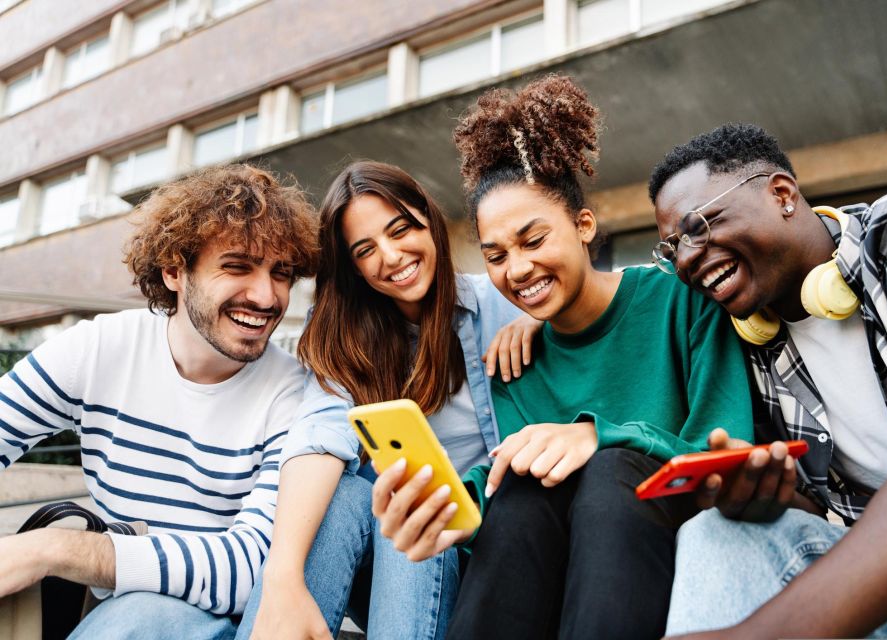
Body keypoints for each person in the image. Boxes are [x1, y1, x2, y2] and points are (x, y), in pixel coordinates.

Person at [371, 75, 755, 640]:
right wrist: (452, 509)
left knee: (607, 470)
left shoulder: (681, 297)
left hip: (680, 538)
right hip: (571, 572)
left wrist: (601, 438)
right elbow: (521, 499)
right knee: (523, 490)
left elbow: (725, 450)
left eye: (533, 241)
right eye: (496, 255)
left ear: (583, 227)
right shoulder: (514, 362)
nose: (517, 270)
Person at [649, 123, 887, 638]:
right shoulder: (752, 337)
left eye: (699, 226)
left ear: (781, 195)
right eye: (672, 248)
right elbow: (826, 509)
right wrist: (766, 497)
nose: (685, 259)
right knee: (717, 531)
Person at [0, 164, 318, 638]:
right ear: (174, 270)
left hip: (222, 621)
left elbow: (255, 567)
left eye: (282, 273)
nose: (266, 296)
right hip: (115, 612)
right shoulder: (100, 348)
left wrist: (54, 550)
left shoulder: (292, 396)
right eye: (237, 266)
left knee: (144, 613)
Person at [237, 161, 538, 640]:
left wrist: (545, 316)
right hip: (399, 566)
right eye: (365, 250)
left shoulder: (504, 301)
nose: (392, 256)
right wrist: (281, 577)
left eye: (400, 229)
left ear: (427, 218)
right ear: (352, 267)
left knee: (417, 494)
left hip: (491, 553)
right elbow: (319, 435)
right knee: (361, 491)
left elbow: (612, 290)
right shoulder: (348, 336)